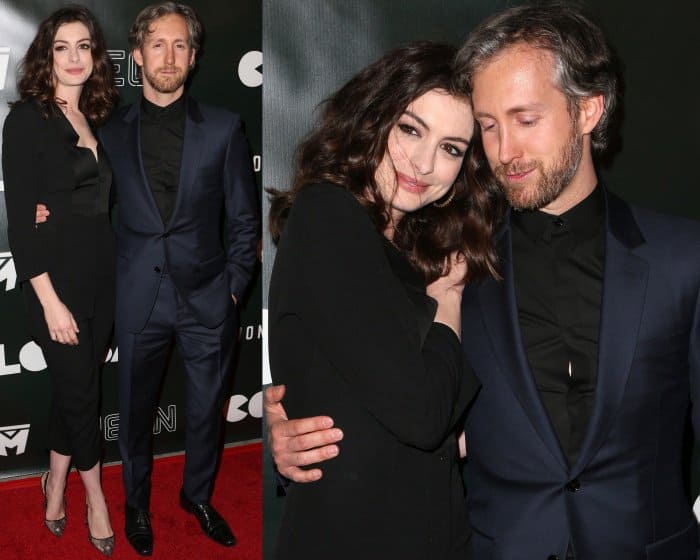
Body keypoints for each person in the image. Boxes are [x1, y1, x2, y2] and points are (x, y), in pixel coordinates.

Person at [265, 3, 700, 560]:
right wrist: (283, 425)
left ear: (589, 111)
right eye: (489, 127)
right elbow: (379, 377)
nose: (505, 151)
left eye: (525, 119)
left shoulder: (682, 258)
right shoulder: (459, 263)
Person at [267, 41, 504, 560]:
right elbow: (421, 413)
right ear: (374, 117)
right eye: (411, 129)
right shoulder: (328, 214)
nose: (423, 163)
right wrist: (447, 300)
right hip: (353, 536)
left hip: (439, 529)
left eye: (451, 148)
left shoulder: (431, 249)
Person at [97, 2, 258, 556]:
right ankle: (136, 505)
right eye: (158, 45)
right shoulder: (110, 132)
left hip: (208, 301)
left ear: (192, 58)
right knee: (134, 416)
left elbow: (244, 221)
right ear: (138, 55)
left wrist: (233, 288)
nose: (169, 56)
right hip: (139, 298)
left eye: (181, 45)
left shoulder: (223, 128)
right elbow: (89, 209)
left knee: (205, 413)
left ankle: (197, 496)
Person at [2, 5, 116, 557]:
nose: (75, 58)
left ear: (96, 56)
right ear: (45, 55)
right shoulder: (26, 119)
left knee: (75, 393)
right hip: (57, 286)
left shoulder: (91, 116)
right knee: (83, 395)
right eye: (62, 47)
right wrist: (48, 300)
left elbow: (88, 206)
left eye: (84, 46)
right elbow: (23, 222)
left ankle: (53, 484)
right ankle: (93, 496)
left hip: (101, 278)